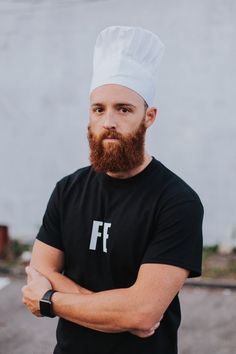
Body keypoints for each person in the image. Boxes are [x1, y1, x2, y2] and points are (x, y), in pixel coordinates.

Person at [22, 26, 204, 354]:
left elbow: (143, 313)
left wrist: (50, 300)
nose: (109, 121)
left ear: (148, 117)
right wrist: (121, 312)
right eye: (98, 109)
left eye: (123, 109)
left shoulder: (177, 202)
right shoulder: (67, 190)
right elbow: (39, 271)